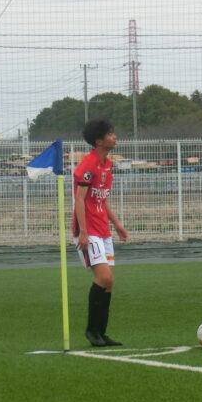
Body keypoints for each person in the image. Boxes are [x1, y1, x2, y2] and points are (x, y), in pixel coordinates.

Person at [73, 118, 129, 347]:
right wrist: (83, 232)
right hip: (89, 231)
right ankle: (91, 330)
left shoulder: (107, 164)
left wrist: (117, 224)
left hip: (103, 229)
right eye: (110, 134)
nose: (114, 137)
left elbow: (102, 200)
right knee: (103, 277)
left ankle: (101, 332)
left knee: (109, 282)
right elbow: (79, 199)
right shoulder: (87, 165)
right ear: (99, 141)